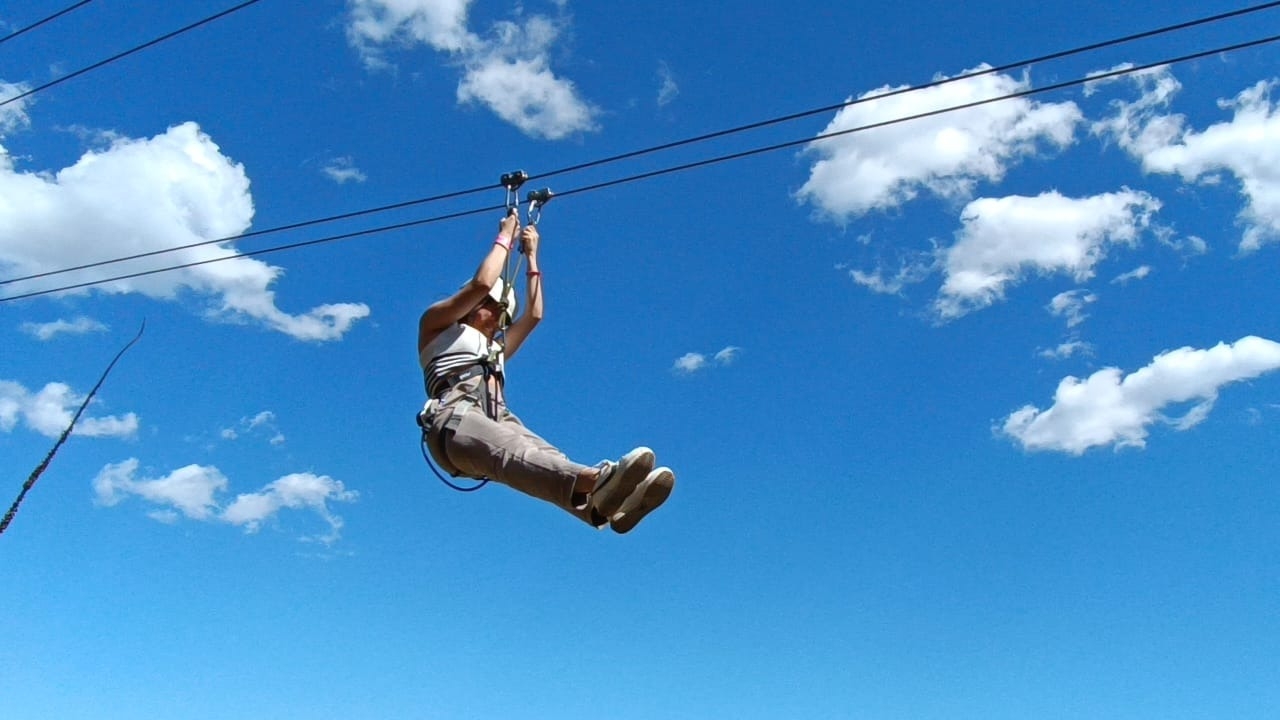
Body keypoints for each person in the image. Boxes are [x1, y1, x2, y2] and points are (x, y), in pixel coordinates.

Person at [417, 210, 674, 533]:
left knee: (547, 455)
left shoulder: (494, 349)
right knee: (518, 454)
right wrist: (506, 239)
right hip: (454, 421)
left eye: (500, 313)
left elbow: (534, 315)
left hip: (497, 419)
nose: (494, 316)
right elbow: (483, 282)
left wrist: (533, 255)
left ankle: (604, 508)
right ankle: (601, 479)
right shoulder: (437, 328)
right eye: (489, 306)